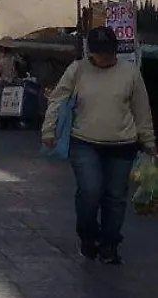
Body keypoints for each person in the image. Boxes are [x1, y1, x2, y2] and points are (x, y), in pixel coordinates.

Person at [43, 27, 156, 264]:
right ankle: (87, 236)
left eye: (107, 52)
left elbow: (141, 110)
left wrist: (149, 142)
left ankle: (109, 245)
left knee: (115, 197)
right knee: (90, 191)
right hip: (85, 143)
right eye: (97, 52)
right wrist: (49, 129)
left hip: (123, 144)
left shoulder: (130, 73)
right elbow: (58, 99)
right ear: (90, 51)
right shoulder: (78, 70)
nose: (102, 57)